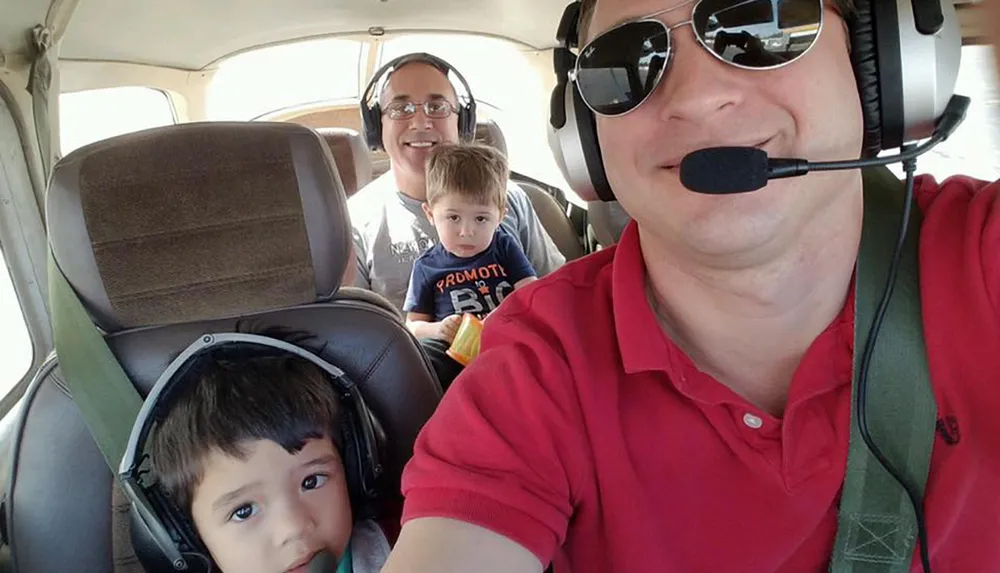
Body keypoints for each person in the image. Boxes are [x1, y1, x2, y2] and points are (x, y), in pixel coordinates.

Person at [380, 1, 1000, 572]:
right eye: (627, 62)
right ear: (584, 140)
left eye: (762, 26)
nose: (698, 97)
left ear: (880, 60)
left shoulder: (981, 253)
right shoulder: (542, 360)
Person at [348, 53, 564, 388]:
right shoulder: (355, 222)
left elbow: (554, 294)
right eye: (401, 109)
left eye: (437, 107)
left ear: (461, 122)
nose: (420, 122)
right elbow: (358, 346)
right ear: (378, 127)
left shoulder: (513, 199)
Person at [148, 331, 390, 573]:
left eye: (312, 481)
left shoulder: (405, 549)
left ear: (353, 472)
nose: (294, 527)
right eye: (243, 511)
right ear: (188, 539)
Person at [404, 143, 537, 344]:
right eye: (454, 218)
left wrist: (508, 314)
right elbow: (412, 326)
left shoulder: (503, 247)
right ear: (430, 214)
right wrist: (439, 329)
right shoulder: (426, 266)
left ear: (500, 217)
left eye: (481, 219)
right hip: (454, 351)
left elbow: (530, 292)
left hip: (506, 340)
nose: (467, 232)